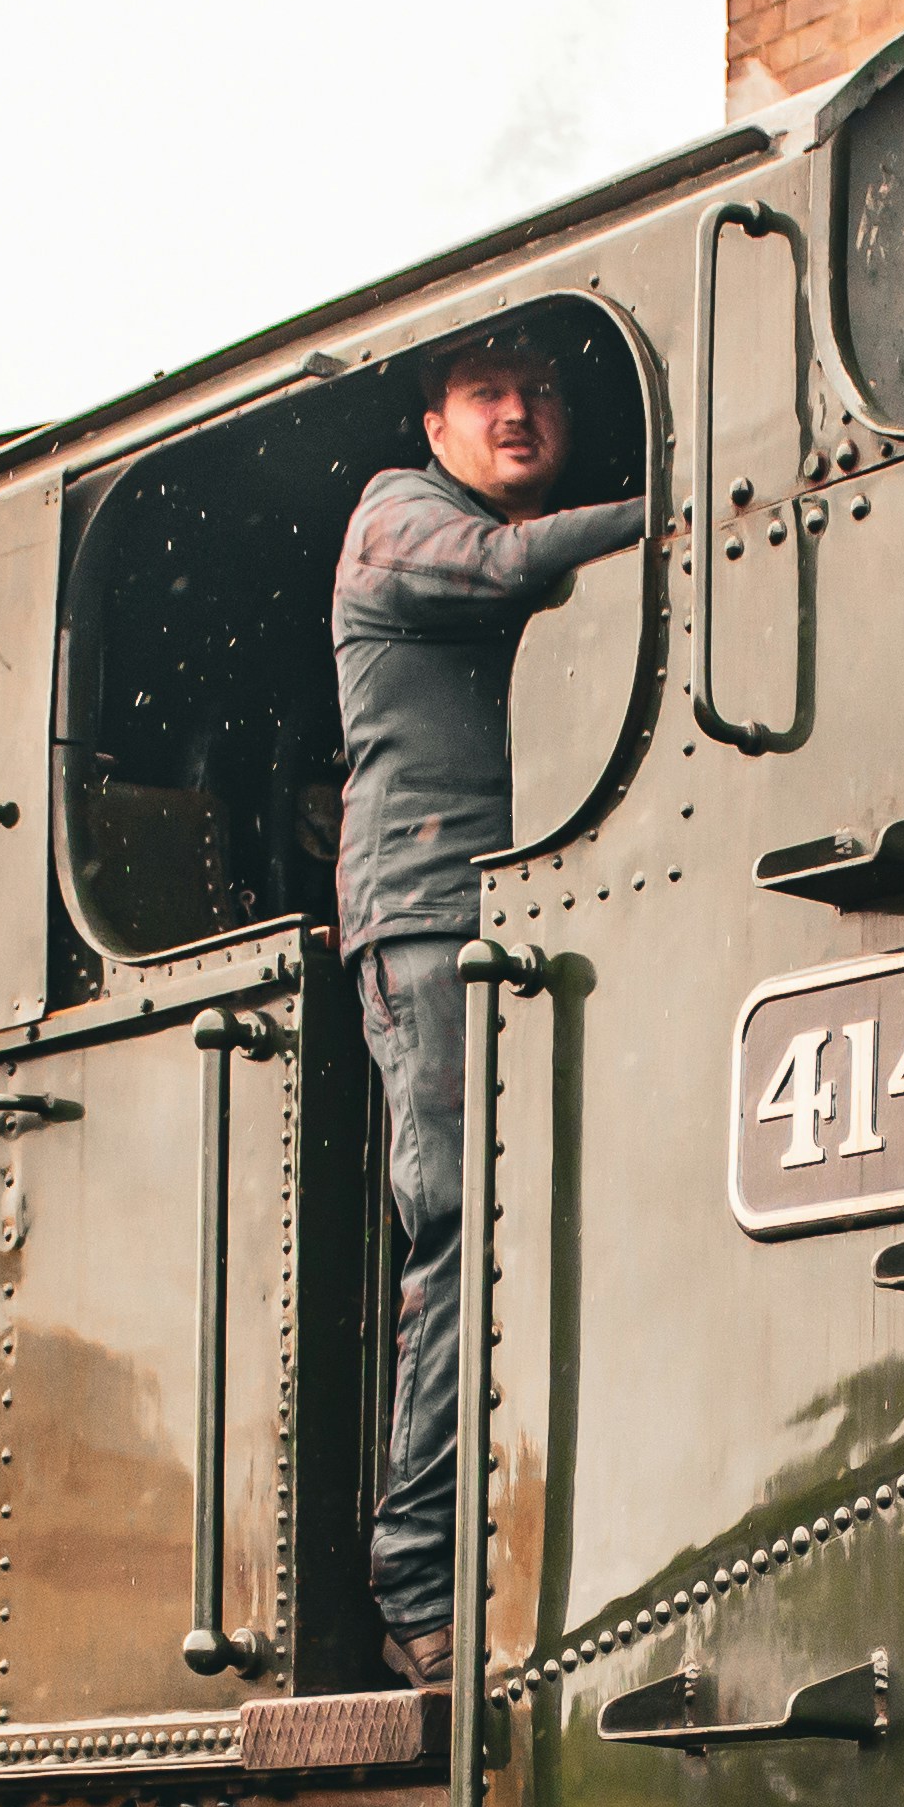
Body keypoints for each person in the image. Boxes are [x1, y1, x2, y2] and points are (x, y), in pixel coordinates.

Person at [332, 330, 644, 1686]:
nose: (520, 413)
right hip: (425, 920)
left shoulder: (525, 542)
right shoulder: (400, 518)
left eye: (541, 393)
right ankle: (415, 1585)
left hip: (517, 915)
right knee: (459, 1221)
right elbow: (504, 564)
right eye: (489, 395)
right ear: (436, 420)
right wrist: (704, 499)